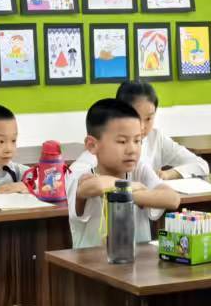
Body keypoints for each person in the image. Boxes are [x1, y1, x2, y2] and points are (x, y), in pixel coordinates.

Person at [67, 99, 180, 250]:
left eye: (137, 140)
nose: (132, 149)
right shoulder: (78, 173)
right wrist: (137, 188)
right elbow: (97, 186)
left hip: (138, 261)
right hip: (92, 262)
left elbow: (172, 199)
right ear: (92, 145)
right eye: (122, 141)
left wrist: (126, 194)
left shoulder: (139, 169)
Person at [117, 79, 209, 180]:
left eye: (148, 119)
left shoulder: (156, 138)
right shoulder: (108, 141)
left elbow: (201, 165)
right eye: (136, 118)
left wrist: (169, 174)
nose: (142, 127)